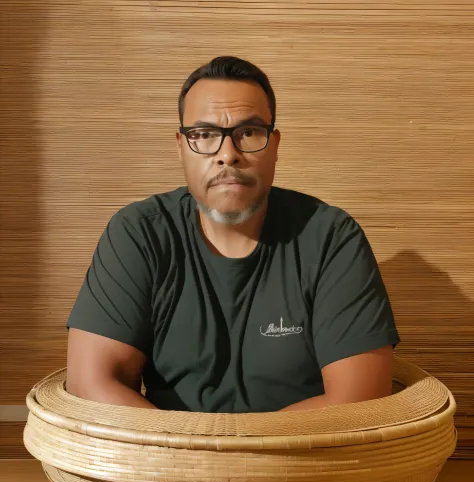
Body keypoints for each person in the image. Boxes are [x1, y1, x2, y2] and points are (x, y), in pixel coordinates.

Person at [66, 56, 400, 413]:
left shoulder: (331, 238)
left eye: (249, 133)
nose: (228, 154)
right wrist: (191, 457)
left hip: (304, 462)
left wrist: (247, 459)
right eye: (205, 135)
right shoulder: (140, 234)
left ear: (274, 144)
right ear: (181, 145)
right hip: (165, 463)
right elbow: (92, 382)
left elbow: (362, 395)